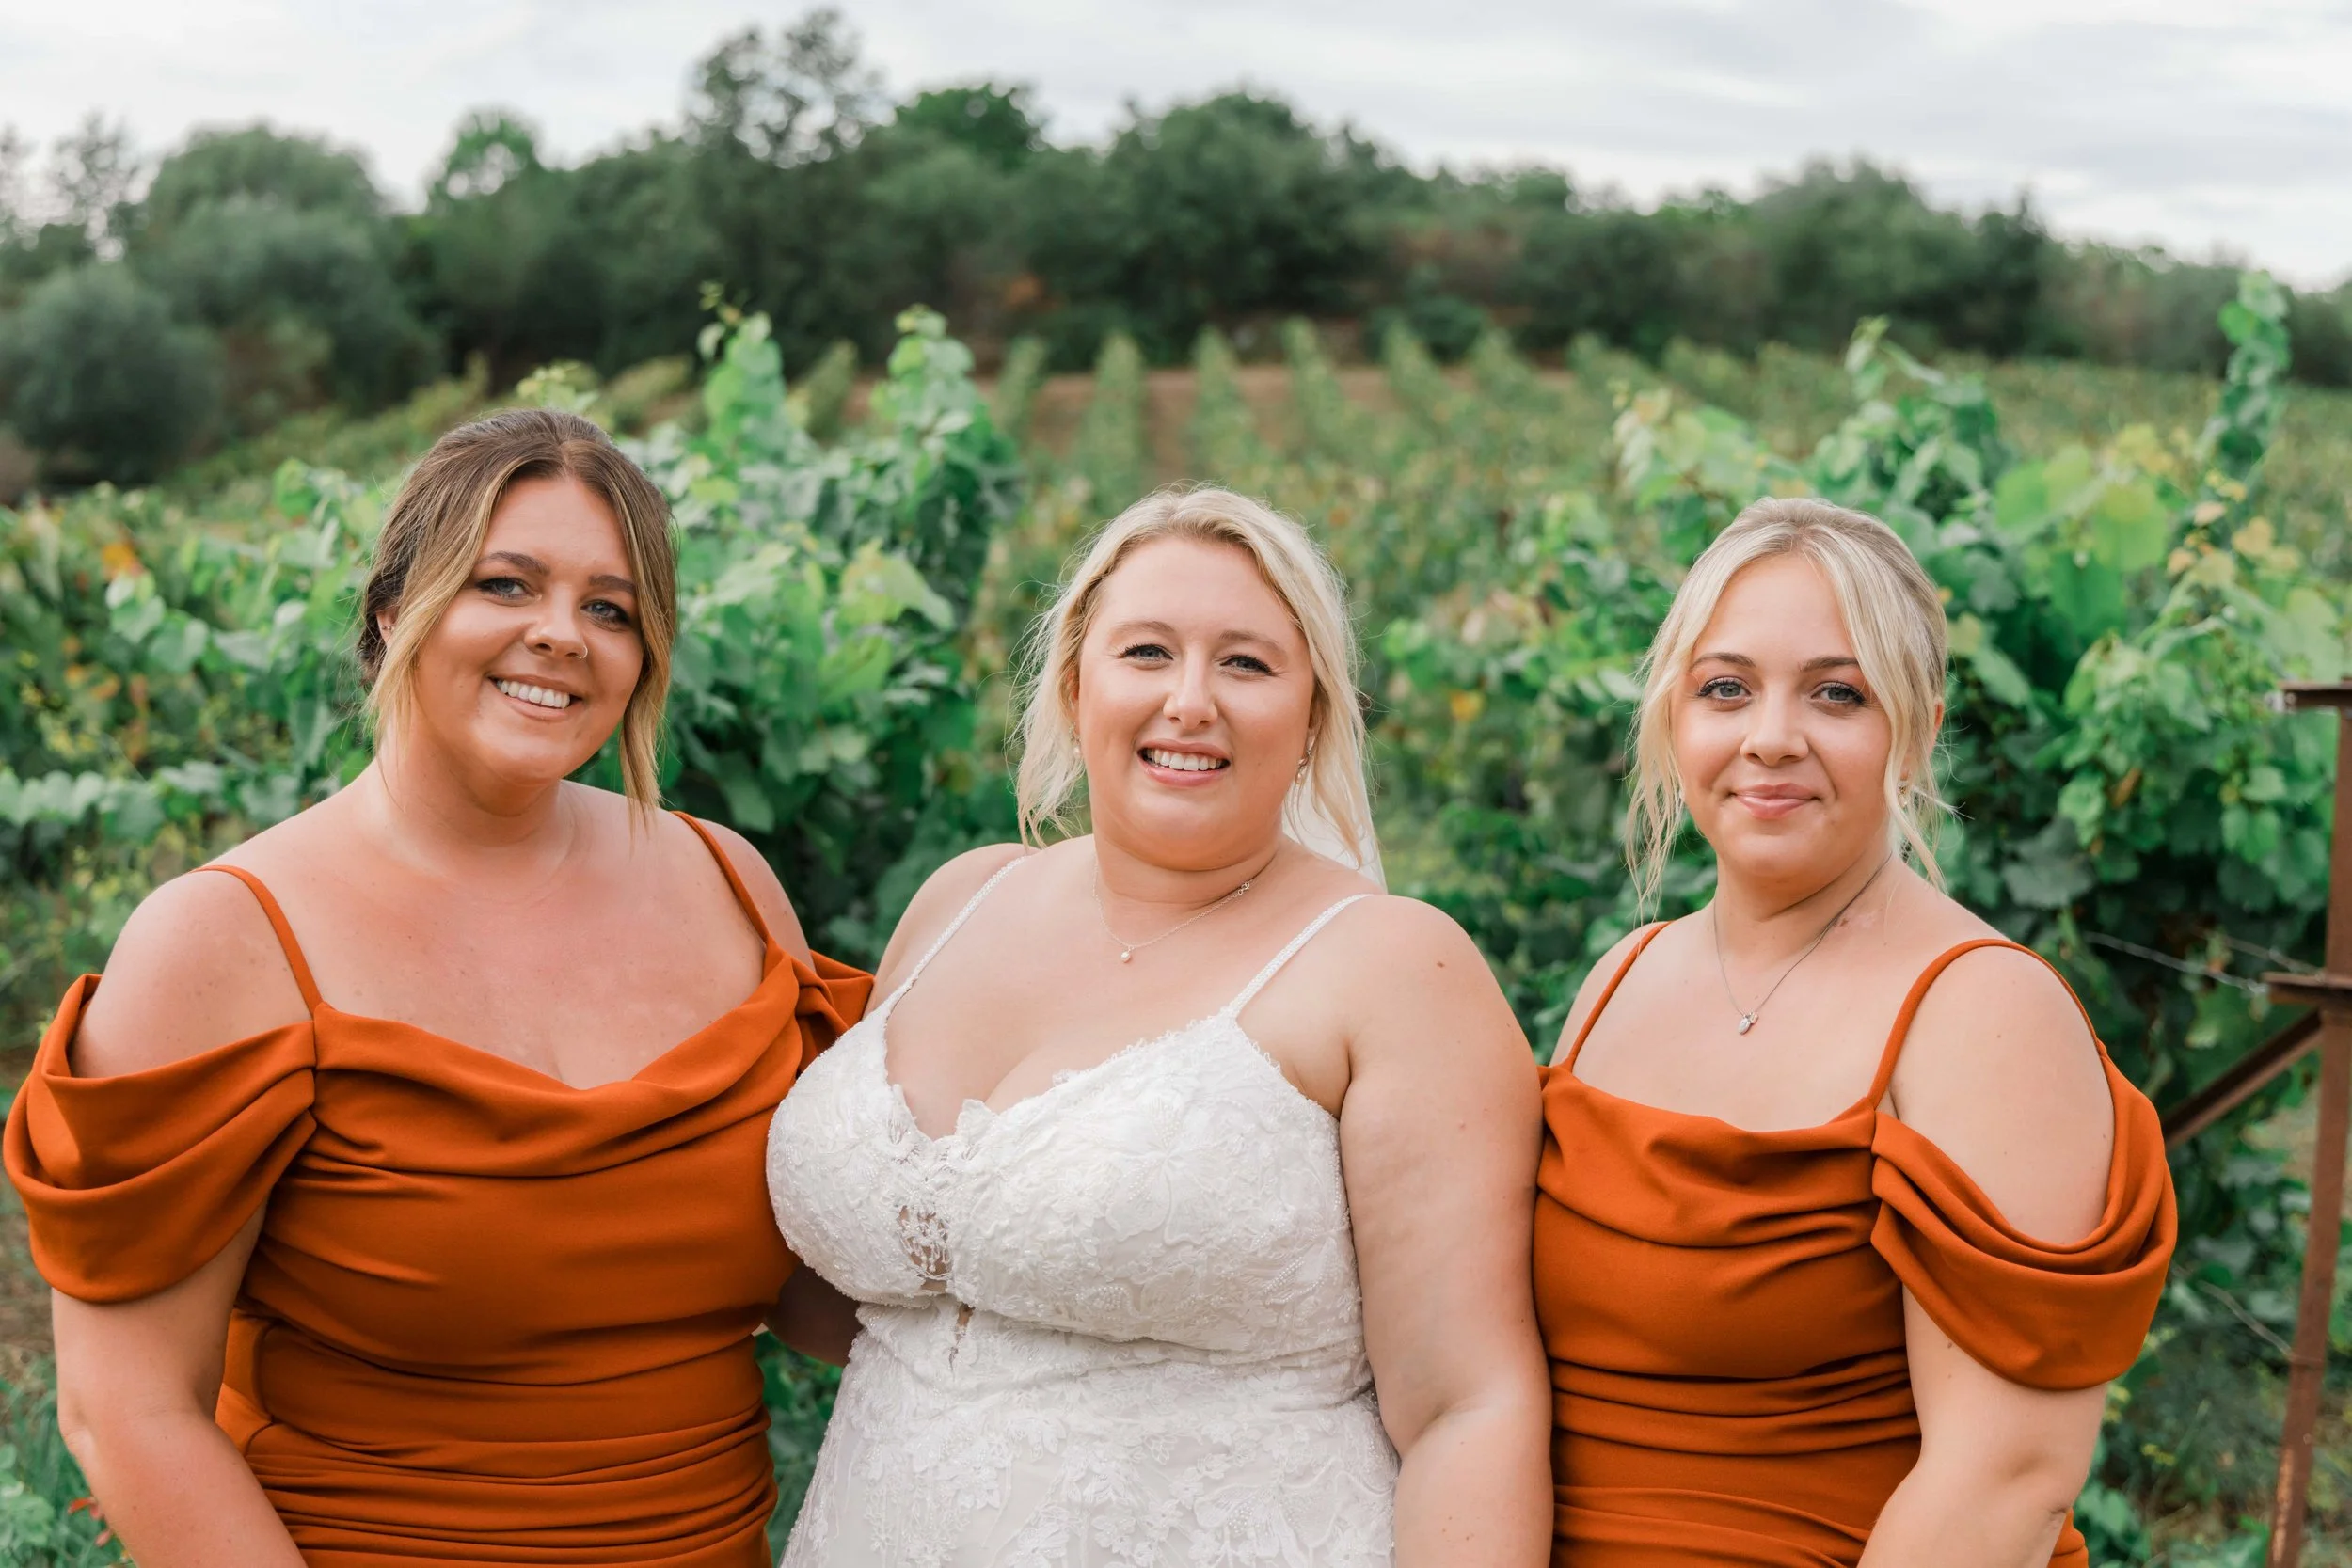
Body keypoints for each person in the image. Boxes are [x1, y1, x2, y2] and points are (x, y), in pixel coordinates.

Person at [4, 408, 870, 1567]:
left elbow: (818, 1303)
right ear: (390, 609)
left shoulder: (729, 882)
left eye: (610, 608)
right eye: (506, 584)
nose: (562, 633)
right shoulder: (221, 940)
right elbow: (126, 1413)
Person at [768, 486, 1552, 1567]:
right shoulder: (961, 901)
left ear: (1315, 711)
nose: (1191, 701)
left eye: (1245, 663)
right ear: (1074, 680)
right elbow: (833, 1305)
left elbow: (1470, 1407)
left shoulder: (1392, 965)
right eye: (1147, 652)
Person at [1534, 497, 2175, 1567]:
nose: (1769, 737)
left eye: (1836, 693)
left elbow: (2004, 1479)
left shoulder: (1982, 1013)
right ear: (1672, 717)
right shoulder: (1620, 978)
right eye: (1724, 687)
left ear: (1915, 726)